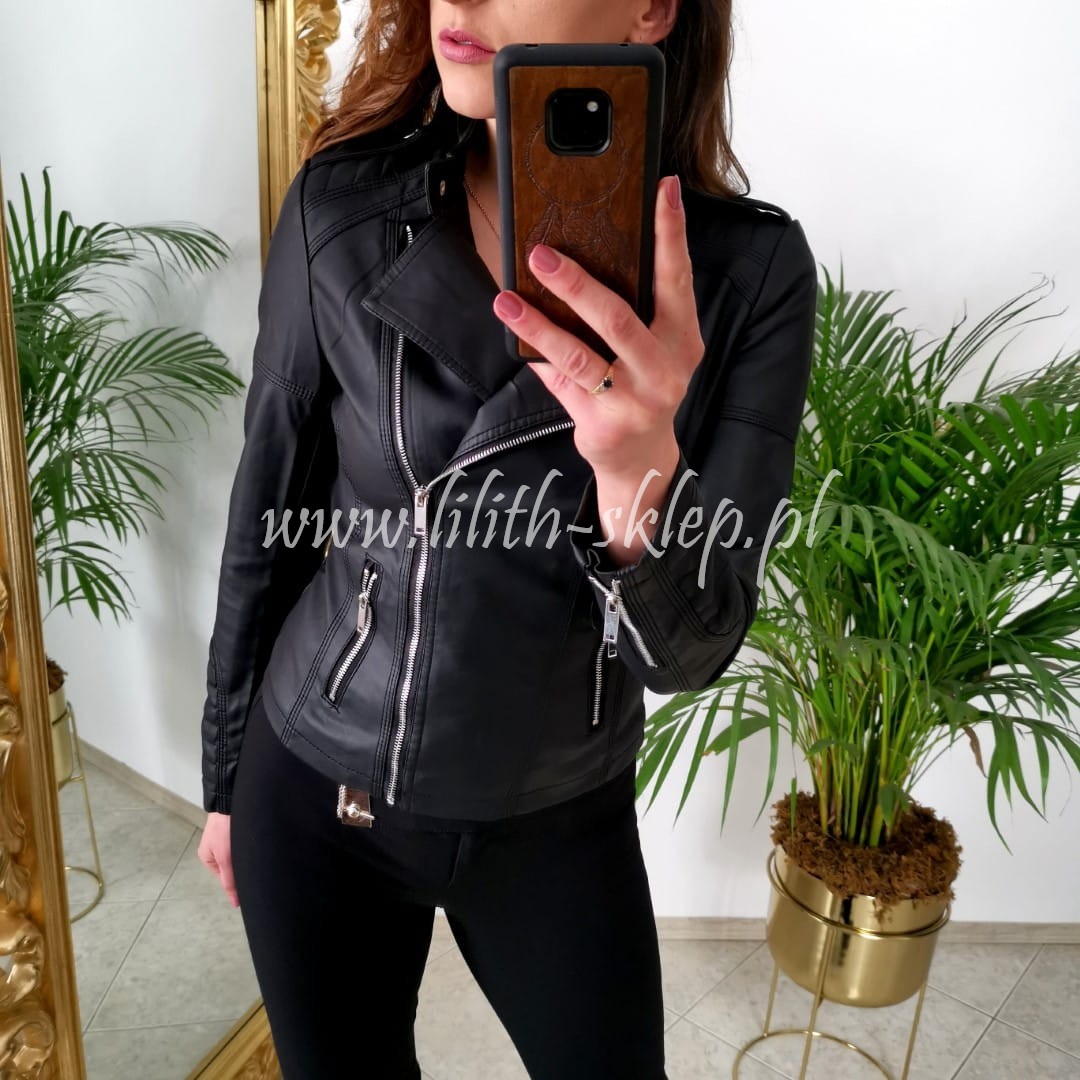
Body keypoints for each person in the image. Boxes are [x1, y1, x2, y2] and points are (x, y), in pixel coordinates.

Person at [196, 1, 817, 1077]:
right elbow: (269, 513)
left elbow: (688, 654)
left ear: (649, 10)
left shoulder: (747, 276)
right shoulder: (340, 211)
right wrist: (224, 777)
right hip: (320, 790)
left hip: (557, 813)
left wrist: (634, 475)